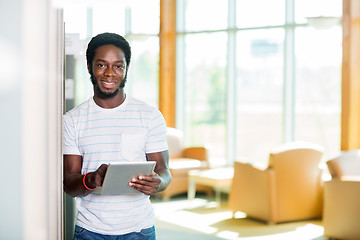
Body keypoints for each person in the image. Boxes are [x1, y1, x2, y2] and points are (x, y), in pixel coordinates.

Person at [63, 32, 171, 240]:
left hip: (140, 230)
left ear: (126, 69)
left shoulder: (149, 116)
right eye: (101, 65)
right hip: (90, 231)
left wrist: (159, 182)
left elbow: (164, 171)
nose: (109, 73)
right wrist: (91, 179)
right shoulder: (72, 120)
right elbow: (69, 183)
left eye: (118, 66)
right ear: (89, 67)